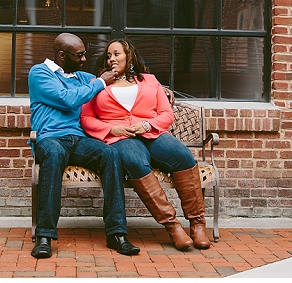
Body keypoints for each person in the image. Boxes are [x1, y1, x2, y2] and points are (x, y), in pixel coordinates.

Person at [80, 38, 211, 250]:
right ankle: (172, 226)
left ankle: (197, 224)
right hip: (120, 138)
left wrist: (147, 125)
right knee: (135, 162)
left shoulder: (149, 80)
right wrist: (112, 129)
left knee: (183, 156)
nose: (111, 59)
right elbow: (86, 118)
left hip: (152, 133)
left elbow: (166, 114)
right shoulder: (98, 84)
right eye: (108, 55)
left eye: (116, 54)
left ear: (128, 56)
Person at [27, 33, 140, 259]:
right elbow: (67, 98)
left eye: (84, 54)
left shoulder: (80, 77)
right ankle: (44, 237)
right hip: (50, 138)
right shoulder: (39, 73)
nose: (84, 59)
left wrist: (160, 88)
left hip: (79, 140)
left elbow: (118, 81)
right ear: (62, 55)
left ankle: (116, 234)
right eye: (79, 55)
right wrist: (98, 82)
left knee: (110, 154)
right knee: (53, 155)